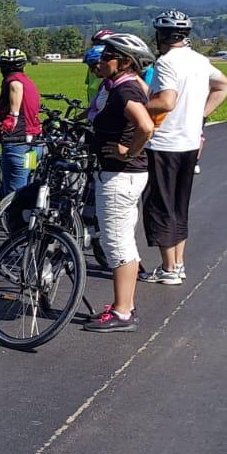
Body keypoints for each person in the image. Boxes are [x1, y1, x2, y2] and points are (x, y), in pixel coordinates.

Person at [141, 10, 227, 285]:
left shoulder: (167, 62)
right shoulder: (199, 60)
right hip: (190, 142)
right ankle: (177, 264)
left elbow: (166, 101)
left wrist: (135, 108)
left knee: (160, 205)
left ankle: (168, 269)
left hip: (165, 142)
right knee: (179, 205)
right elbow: (224, 85)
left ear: (161, 35)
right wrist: (201, 116)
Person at [83, 33, 157, 333]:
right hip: (123, 175)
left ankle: (122, 313)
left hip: (119, 175)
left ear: (125, 62)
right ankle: (123, 304)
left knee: (117, 244)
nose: (101, 60)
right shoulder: (122, 86)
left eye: (107, 56)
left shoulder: (125, 91)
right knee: (122, 239)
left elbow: (146, 126)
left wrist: (129, 151)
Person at [0, 47, 43, 195]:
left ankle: (12, 217)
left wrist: (12, 117)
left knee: (15, 194)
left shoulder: (13, 81)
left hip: (18, 146)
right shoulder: (29, 82)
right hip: (33, 146)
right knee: (27, 184)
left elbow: (16, 88)